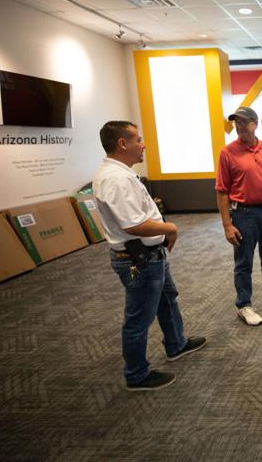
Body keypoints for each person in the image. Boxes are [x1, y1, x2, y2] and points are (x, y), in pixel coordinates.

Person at [93, 121, 207, 391]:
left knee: (167, 299)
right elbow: (133, 225)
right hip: (137, 261)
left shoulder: (120, 174)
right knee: (138, 317)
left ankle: (176, 344)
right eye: (138, 139)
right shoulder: (116, 179)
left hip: (150, 256)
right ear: (123, 144)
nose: (143, 145)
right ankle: (136, 374)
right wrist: (170, 227)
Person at [215, 106, 262, 326]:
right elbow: (222, 191)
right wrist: (227, 225)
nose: (239, 126)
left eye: (243, 121)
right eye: (236, 122)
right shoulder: (227, 152)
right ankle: (244, 305)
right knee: (243, 262)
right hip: (244, 213)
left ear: (254, 123)